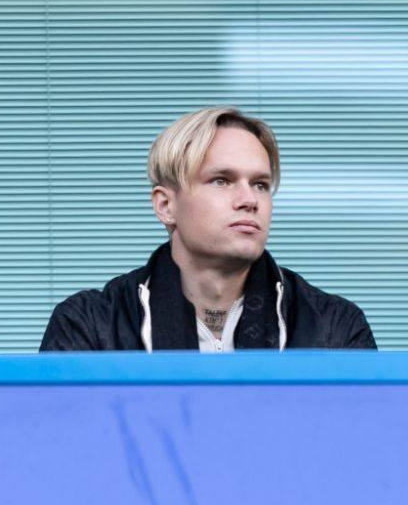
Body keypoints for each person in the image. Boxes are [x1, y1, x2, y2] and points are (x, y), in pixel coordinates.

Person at [40, 106, 376, 352]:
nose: (249, 200)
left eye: (260, 184)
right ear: (165, 205)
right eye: (221, 180)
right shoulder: (89, 326)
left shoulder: (335, 328)